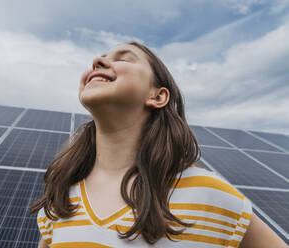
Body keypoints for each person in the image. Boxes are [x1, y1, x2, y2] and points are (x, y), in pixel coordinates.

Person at [29, 41, 288, 247]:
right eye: (99, 57)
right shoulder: (60, 200)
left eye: (123, 57)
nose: (98, 61)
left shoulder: (212, 194)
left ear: (158, 95)